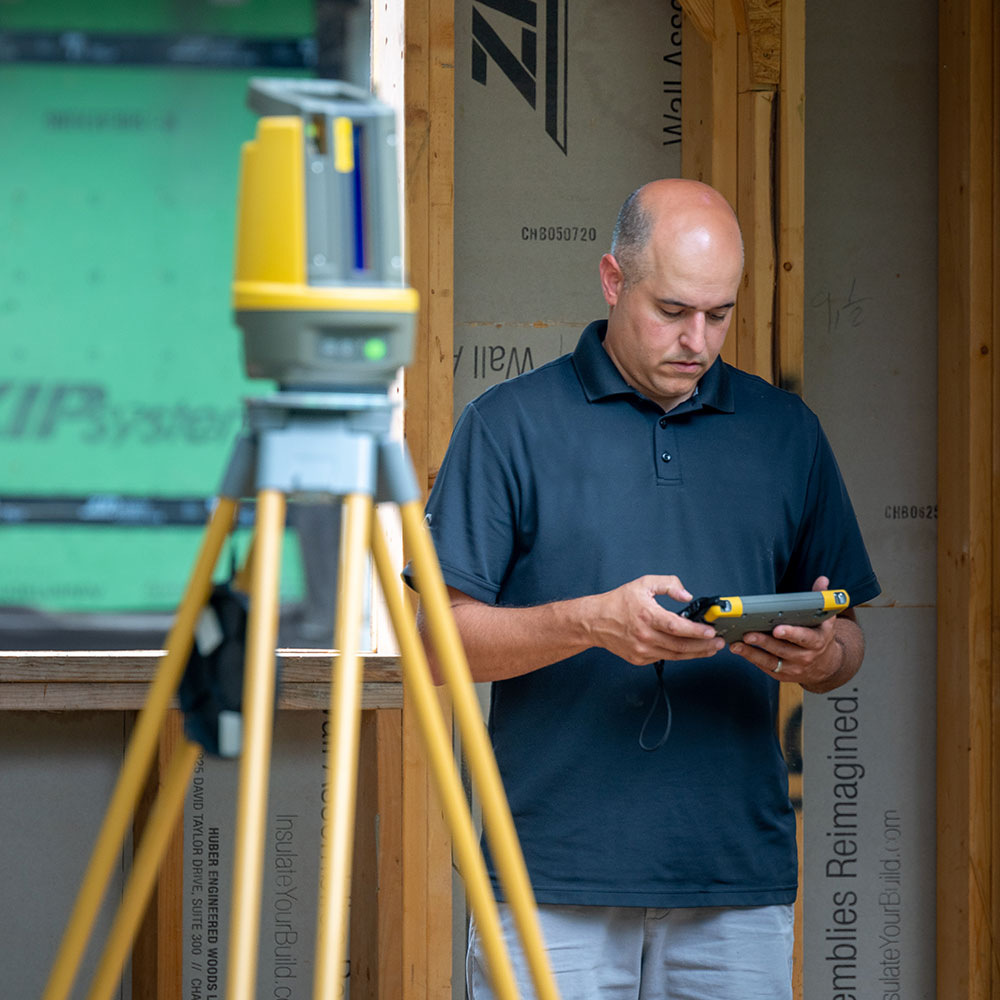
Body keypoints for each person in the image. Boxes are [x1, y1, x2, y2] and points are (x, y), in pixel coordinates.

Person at [412, 179, 880, 999]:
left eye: (719, 314)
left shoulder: (787, 434)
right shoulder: (507, 425)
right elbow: (435, 644)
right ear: (612, 279)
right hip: (549, 881)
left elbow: (848, 643)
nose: (697, 340)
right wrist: (589, 623)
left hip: (735, 881)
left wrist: (820, 654)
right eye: (672, 311)